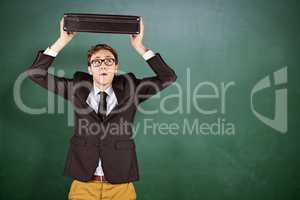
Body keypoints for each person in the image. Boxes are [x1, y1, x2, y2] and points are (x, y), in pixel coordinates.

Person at [26, 17, 177, 200]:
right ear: (89, 69)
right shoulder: (76, 88)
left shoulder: (131, 88)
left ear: (116, 67)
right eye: (97, 62)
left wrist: (140, 47)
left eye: (108, 61)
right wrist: (62, 41)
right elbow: (36, 74)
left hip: (120, 184)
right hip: (83, 184)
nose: (103, 65)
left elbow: (168, 77)